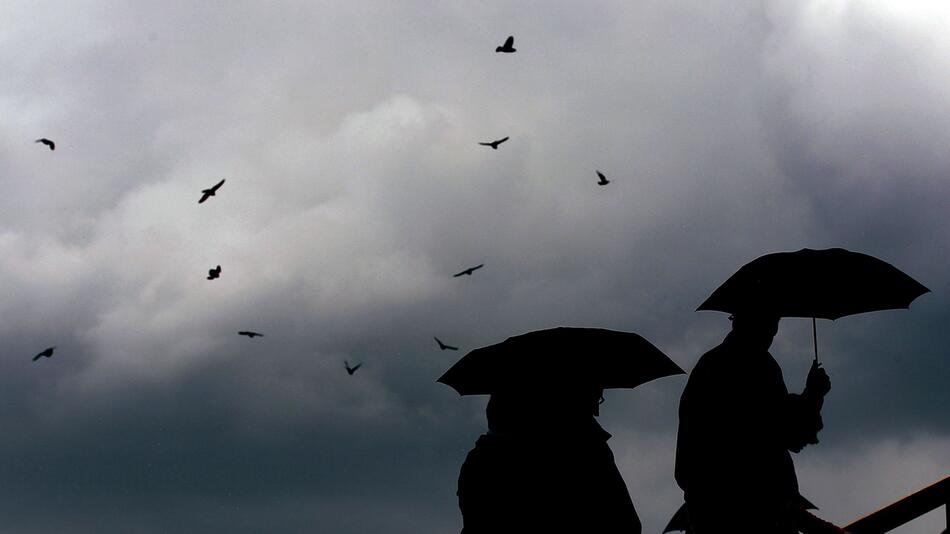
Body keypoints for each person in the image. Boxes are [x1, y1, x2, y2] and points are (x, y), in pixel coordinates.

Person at [674, 313, 846, 534]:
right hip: (761, 517)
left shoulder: (708, 365)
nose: (773, 332)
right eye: (772, 323)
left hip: (709, 516)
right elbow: (788, 433)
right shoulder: (759, 366)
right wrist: (814, 394)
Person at [456, 386, 641, 533]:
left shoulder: (481, 458)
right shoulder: (583, 452)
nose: (597, 406)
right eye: (595, 396)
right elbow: (625, 523)